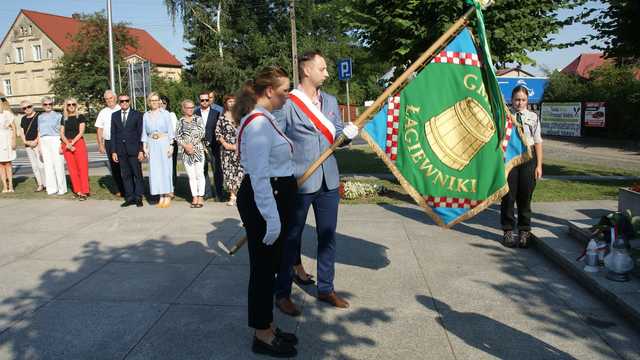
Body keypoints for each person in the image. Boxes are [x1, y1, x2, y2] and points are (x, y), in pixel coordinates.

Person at [274, 50, 359, 315]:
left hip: (329, 181)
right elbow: (276, 140)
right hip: (300, 181)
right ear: (307, 71)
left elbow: (335, 137)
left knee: (327, 236)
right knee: (291, 238)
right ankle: (283, 293)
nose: (327, 73)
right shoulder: (288, 103)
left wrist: (347, 136)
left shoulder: (331, 102)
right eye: (322, 68)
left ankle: (326, 288)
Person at [235, 67, 298, 357]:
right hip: (266, 198)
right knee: (262, 270)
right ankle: (261, 334)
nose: (287, 95)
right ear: (270, 91)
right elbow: (259, 175)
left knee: (269, 267)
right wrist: (271, 217)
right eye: (285, 90)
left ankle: (268, 326)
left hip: (272, 196)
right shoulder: (259, 123)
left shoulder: (265, 118)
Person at [501, 85, 543, 248]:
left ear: (527, 101)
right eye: (517, 99)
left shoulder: (533, 117)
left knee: (525, 196)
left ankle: (524, 231)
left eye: (523, 100)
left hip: (528, 158)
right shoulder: (505, 116)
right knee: (508, 196)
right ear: (511, 100)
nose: (520, 103)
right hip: (510, 159)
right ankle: (508, 231)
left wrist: (539, 165)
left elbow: (538, 141)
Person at [141, 92, 174, 208]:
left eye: (156, 100)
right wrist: (145, 146)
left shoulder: (165, 114)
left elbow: (170, 130)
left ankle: (167, 195)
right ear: (149, 102)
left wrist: (171, 145)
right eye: (152, 100)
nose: (154, 102)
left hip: (163, 142)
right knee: (155, 171)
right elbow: (144, 132)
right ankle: (160, 195)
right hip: (152, 144)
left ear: (159, 101)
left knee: (165, 169)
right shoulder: (146, 115)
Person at [111, 94, 144, 207]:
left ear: (130, 101)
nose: (124, 103)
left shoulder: (137, 115)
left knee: (137, 174)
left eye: (126, 101)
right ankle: (130, 197)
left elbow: (141, 134)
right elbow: (113, 134)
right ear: (119, 103)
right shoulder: (114, 115)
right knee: (125, 175)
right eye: (121, 101)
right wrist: (114, 151)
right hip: (121, 150)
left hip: (134, 150)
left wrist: (141, 150)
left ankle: (138, 197)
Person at [176, 99, 206, 208]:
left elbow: (202, 133)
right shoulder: (180, 121)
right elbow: (178, 136)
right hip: (186, 152)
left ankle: (201, 197)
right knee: (191, 176)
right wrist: (186, 146)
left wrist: (191, 145)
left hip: (197, 150)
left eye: (192, 107)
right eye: (188, 107)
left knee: (199, 174)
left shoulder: (198, 119)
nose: (190, 109)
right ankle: (194, 197)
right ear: (183, 109)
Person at [215, 95, 243, 206]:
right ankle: (232, 196)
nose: (232, 103)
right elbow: (218, 133)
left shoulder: (241, 116)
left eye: (234, 101)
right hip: (226, 150)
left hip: (240, 148)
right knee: (229, 172)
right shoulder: (222, 117)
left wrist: (239, 145)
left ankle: (240, 195)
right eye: (229, 101)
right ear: (226, 103)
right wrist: (225, 144)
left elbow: (246, 131)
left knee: (240, 172)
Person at [195, 91, 224, 201]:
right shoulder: (195, 113)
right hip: (200, 145)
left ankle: (219, 194)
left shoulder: (216, 113)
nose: (205, 102)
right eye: (202, 100)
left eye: (207, 100)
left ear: (210, 100)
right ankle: (206, 192)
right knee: (202, 170)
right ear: (199, 101)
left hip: (214, 145)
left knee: (217, 170)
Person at [60, 98, 90, 200]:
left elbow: (81, 132)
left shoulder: (80, 117)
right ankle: (77, 191)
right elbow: (61, 133)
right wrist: (67, 144)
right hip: (67, 144)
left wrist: (72, 143)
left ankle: (84, 191)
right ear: (66, 106)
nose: (71, 106)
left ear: (76, 105)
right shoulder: (64, 118)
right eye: (69, 105)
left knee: (82, 167)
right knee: (72, 169)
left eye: (73, 104)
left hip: (78, 143)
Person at [95, 90, 124, 196]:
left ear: (115, 98)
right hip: (109, 142)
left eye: (110, 98)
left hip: (122, 141)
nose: (109, 100)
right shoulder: (103, 112)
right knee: (115, 166)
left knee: (125, 165)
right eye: (106, 99)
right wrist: (100, 145)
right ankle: (119, 188)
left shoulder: (122, 108)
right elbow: (99, 130)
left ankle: (129, 186)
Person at [38, 97, 67, 195]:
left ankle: (61, 188)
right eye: (45, 104)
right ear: (42, 106)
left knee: (58, 164)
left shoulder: (58, 115)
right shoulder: (40, 117)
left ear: (52, 105)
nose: (48, 106)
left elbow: (62, 131)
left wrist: (61, 144)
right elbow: (39, 131)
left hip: (55, 139)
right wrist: (39, 146)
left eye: (50, 104)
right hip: (43, 140)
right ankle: (51, 189)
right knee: (48, 166)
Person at [19, 100, 46, 192]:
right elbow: (21, 131)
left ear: (32, 106)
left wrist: (36, 141)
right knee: (34, 166)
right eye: (24, 108)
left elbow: (40, 130)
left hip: (38, 143)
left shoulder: (39, 116)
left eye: (29, 106)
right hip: (28, 145)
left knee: (41, 165)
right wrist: (25, 142)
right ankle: (40, 184)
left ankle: (46, 183)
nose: (27, 109)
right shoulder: (23, 119)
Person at [160, 95, 178, 198]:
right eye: (160, 103)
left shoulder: (171, 115)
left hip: (170, 144)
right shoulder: (153, 115)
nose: (162, 105)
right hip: (158, 144)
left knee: (171, 167)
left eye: (164, 103)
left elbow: (174, 130)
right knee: (161, 168)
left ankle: (171, 188)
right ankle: (162, 189)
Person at [0, 97, 16, 193]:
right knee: (1, 165)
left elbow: (14, 127)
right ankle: (4, 186)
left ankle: (11, 185)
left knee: (8, 163)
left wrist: (13, 140)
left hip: (7, 139)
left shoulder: (7, 114)